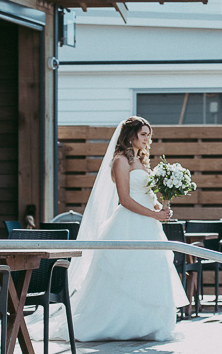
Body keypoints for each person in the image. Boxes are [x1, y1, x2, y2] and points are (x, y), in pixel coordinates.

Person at [37, 116, 190, 342]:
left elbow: (146, 195)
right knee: (123, 274)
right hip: (128, 224)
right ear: (131, 136)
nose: (148, 139)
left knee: (150, 272)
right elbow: (126, 200)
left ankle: (149, 325)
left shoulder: (141, 161)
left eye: (149, 134)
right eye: (143, 134)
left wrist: (161, 206)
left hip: (148, 224)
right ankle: (117, 324)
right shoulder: (120, 160)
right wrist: (154, 214)